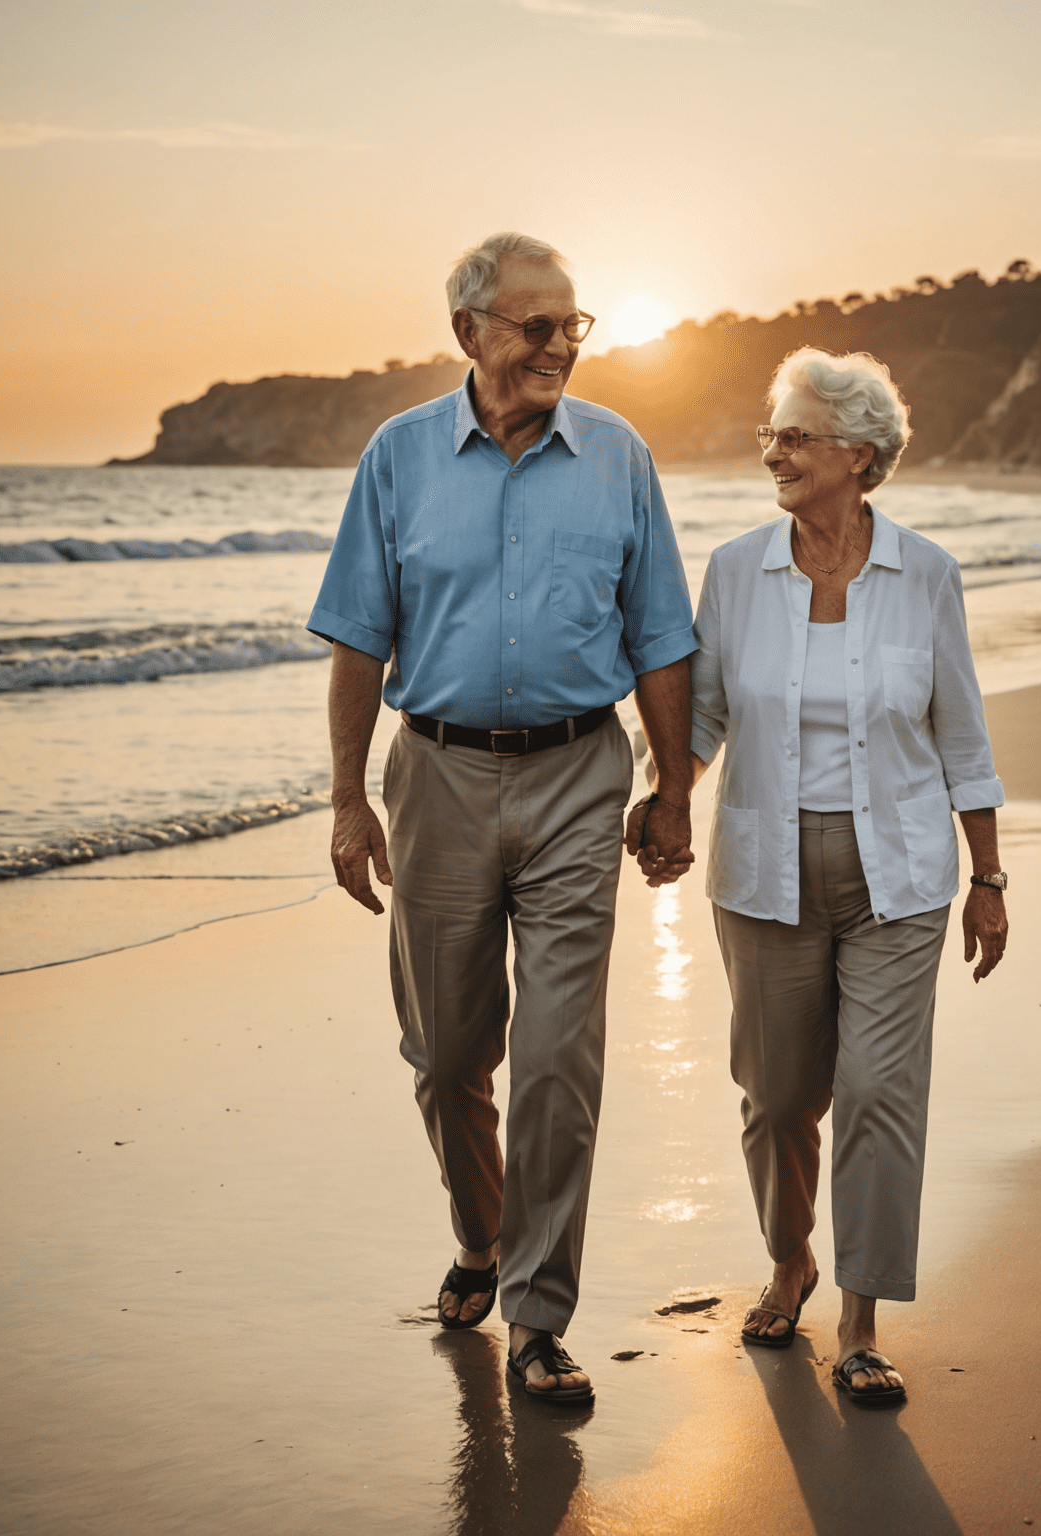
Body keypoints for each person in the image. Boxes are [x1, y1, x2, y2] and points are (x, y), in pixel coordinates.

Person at [309, 232, 697, 1406]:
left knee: (558, 1063)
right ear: (470, 331)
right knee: (444, 1058)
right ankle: (481, 1237)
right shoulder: (399, 456)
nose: (556, 348)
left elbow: (662, 639)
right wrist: (344, 799)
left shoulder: (620, 456)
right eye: (534, 326)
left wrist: (673, 788)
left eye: (571, 326)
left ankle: (536, 1316)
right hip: (434, 777)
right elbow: (357, 640)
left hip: (582, 775)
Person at [675, 347, 1009, 1402]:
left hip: (901, 875)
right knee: (777, 1097)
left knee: (876, 1092)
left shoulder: (927, 575)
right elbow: (704, 715)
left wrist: (990, 874)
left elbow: (962, 731)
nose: (773, 451)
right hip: (765, 872)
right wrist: (664, 789)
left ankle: (859, 1322)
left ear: (858, 455)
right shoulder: (735, 572)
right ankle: (792, 1259)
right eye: (770, 433)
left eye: (795, 436)